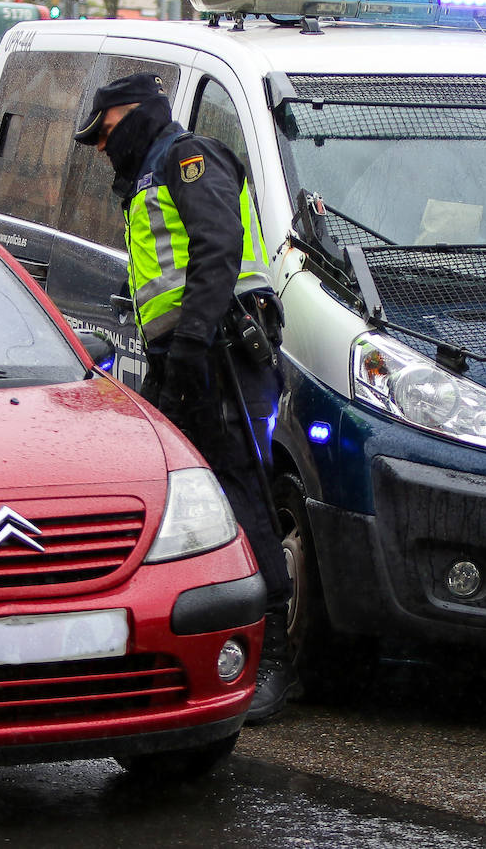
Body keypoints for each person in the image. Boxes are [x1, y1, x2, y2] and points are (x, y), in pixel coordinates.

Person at [74, 72, 297, 723]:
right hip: (189, 353)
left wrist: (195, 346)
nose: (100, 147)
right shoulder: (146, 177)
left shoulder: (185, 158)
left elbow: (219, 249)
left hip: (222, 350)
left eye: (106, 132)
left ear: (137, 115)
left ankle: (272, 657)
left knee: (241, 492)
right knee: (179, 501)